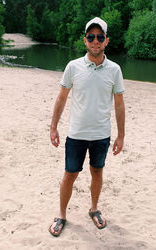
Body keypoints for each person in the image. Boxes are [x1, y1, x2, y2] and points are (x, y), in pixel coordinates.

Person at [49, 17, 125, 237]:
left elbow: (119, 105)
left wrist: (121, 136)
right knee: (69, 175)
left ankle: (94, 209)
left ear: (106, 41)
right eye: (91, 37)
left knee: (97, 172)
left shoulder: (115, 70)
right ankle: (61, 215)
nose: (95, 41)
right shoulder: (73, 67)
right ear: (85, 40)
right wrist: (53, 127)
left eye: (100, 37)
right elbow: (61, 98)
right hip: (76, 134)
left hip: (101, 135)